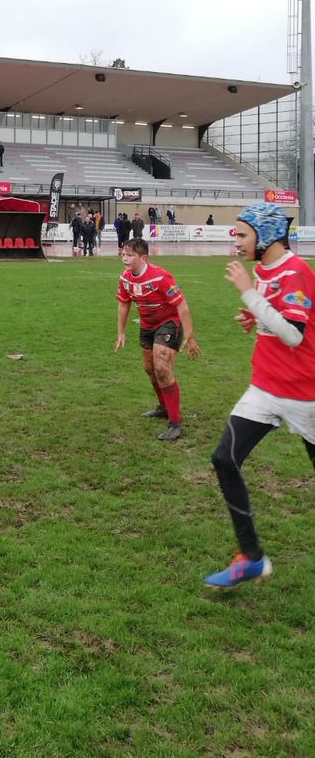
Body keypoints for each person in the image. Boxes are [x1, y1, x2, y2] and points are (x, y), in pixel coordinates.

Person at [203, 202, 315, 589]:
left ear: (266, 236)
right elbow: (280, 320)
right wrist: (257, 315)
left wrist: (250, 296)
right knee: (224, 458)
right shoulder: (265, 270)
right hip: (266, 387)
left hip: (305, 394)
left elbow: (295, 334)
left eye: (242, 234)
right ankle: (252, 558)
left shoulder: (296, 270)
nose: (236, 241)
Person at [114, 238, 200, 441]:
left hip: (169, 323)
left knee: (162, 367)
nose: (125, 258)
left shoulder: (161, 277)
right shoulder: (125, 278)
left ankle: (175, 423)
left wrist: (190, 336)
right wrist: (121, 333)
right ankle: (163, 407)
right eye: (123, 254)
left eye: (130, 255)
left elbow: (182, 306)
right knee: (150, 368)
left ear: (143, 258)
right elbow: (124, 304)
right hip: (147, 325)